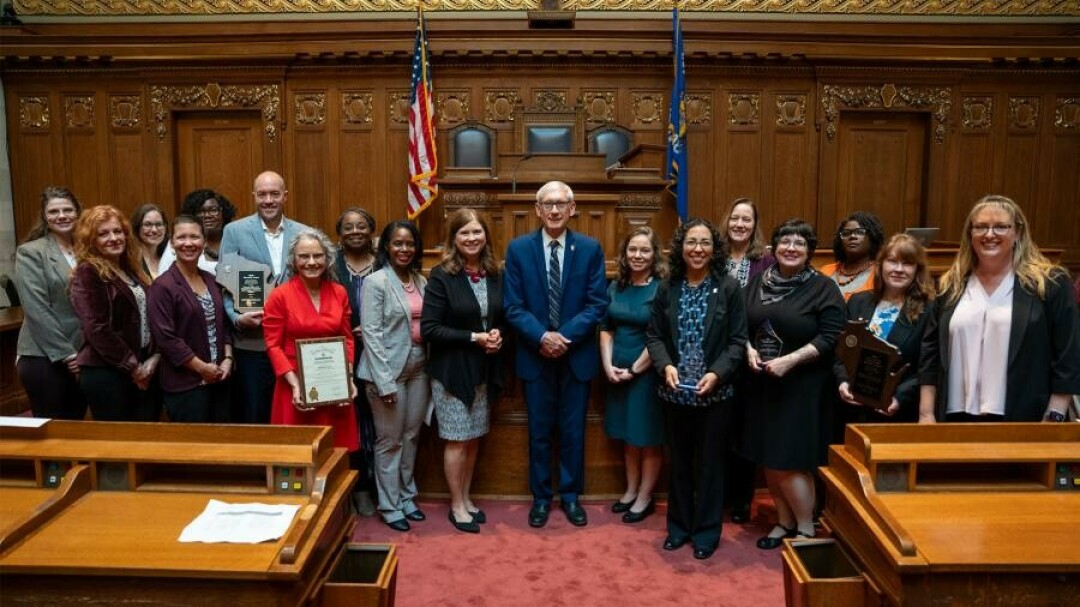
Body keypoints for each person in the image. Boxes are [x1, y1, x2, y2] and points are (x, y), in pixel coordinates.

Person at [919, 195, 1080, 423]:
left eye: (1001, 227)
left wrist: (1054, 415)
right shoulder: (951, 286)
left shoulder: (1050, 283)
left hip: (1026, 418)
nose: (990, 234)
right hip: (955, 417)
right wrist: (926, 414)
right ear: (970, 235)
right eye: (981, 227)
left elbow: (1068, 354)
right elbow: (930, 354)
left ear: (1018, 233)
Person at [504, 180, 608, 529]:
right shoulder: (518, 250)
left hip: (575, 356)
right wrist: (542, 337)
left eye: (560, 204)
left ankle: (571, 496)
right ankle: (541, 498)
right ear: (537, 210)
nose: (553, 210)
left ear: (572, 207)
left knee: (573, 430)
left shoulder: (590, 249)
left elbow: (597, 304)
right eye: (547, 204)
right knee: (539, 431)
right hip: (536, 357)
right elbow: (513, 307)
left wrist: (563, 337)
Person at [645, 219, 748, 560]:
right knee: (680, 464)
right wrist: (666, 366)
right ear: (681, 247)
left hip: (715, 394)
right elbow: (655, 336)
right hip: (675, 392)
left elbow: (737, 341)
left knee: (710, 464)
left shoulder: (729, 287)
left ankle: (705, 532)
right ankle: (678, 528)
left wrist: (718, 374)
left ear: (714, 249)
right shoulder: (668, 286)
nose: (698, 249)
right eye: (692, 242)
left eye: (705, 242)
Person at [741, 218, 845, 549]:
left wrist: (791, 360)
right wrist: (748, 350)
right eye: (785, 241)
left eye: (799, 243)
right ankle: (783, 522)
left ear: (809, 251)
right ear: (774, 247)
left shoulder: (822, 287)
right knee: (769, 456)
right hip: (763, 384)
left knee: (792, 459)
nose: (791, 248)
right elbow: (739, 324)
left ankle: (805, 528)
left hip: (803, 386)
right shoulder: (758, 282)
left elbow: (832, 336)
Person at [421, 209, 506, 534]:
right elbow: (430, 329)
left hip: (485, 368)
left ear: (486, 235)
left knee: (473, 438)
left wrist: (498, 335)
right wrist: (475, 337)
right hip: (453, 372)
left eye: (477, 232)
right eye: (464, 233)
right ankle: (457, 504)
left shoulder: (494, 272)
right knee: (457, 440)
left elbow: (501, 315)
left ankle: (467, 498)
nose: (472, 239)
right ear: (453, 239)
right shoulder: (442, 275)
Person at [219, 170, 311, 424]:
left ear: (285, 196)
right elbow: (226, 285)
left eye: (274, 194)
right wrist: (237, 319)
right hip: (252, 343)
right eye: (262, 194)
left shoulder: (305, 234)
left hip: (294, 345)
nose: (268, 200)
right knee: (255, 414)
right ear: (254, 196)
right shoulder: (234, 231)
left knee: (295, 413)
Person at [357, 220, 429, 532]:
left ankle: (406, 496)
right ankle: (389, 505)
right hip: (386, 371)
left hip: (419, 369)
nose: (404, 249)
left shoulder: (420, 280)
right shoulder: (376, 282)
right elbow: (371, 335)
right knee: (389, 441)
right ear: (386, 246)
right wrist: (384, 381)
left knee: (411, 437)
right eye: (397, 243)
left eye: (409, 244)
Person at [263, 229, 359, 449]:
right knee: (298, 453)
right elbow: (273, 345)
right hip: (294, 384)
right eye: (304, 256)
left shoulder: (339, 292)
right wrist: (296, 386)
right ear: (293, 261)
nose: (312, 262)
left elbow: (347, 339)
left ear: (328, 258)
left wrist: (348, 378)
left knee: (335, 452)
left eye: (318, 255)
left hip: (333, 385)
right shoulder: (280, 295)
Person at [69, 205, 162, 422]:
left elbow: (148, 317)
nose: (113, 238)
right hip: (107, 372)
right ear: (91, 240)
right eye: (103, 233)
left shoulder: (130, 269)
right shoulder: (88, 272)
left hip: (142, 366)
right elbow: (97, 329)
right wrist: (133, 367)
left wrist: (154, 358)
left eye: (117, 231)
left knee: (142, 442)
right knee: (115, 448)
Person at [600, 226, 666, 524]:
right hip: (616, 373)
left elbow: (660, 336)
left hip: (647, 373)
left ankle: (645, 496)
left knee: (647, 437)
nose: (638, 255)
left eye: (645, 250)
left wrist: (634, 370)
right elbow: (605, 329)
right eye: (633, 250)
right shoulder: (616, 285)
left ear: (654, 255)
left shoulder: (661, 289)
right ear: (625, 254)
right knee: (628, 435)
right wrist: (608, 366)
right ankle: (630, 490)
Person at [835, 233, 936, 424]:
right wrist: (843, 381)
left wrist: (899, 398)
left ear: (917, 270)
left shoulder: (928, 310)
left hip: (897, 412)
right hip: (851, 410)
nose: (899, 269)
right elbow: (840, 352)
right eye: (892, 261)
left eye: (907, 263)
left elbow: (927, 366)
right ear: (881, 266)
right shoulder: (858, 301)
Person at [721, 197, 775, 525]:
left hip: (752, 355)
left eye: (747, 219)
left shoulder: (765, 261)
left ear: (754, 225)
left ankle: (742, 498)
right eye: (735, 218)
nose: (740, 224)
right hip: (718, 355)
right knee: (719, 429)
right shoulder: (715, 257)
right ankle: (720, 494)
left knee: (744, 428)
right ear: (727, 222)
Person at [149, 216, 234, 423]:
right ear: (171, 243)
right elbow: (166, 338)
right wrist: (201, 368)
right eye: (181, 237)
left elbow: (223, 324)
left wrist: (228, 359)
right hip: (186, 385)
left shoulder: (211, 279)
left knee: (221, 449)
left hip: (219, 380)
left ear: (204, 242)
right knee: (192, 451)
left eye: (195, 237)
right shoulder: (162, 286)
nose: (188, 243)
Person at [13, 186, 87, 420]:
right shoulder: (31, 252)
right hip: (44, 357)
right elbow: (37, 310)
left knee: (76, 425)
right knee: (53, 432)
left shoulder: (88, 250)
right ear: (45, 216)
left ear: (78, 213)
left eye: (68, 210)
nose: (62, 216)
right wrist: (68, 355)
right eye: (54, 211)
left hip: (83, 354)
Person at [331, 207, 379, 517]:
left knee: (375, 422)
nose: (355, 231)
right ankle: (351, 486)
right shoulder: (330, 265)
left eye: (361, 226)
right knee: (347, 421)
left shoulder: (384, 263)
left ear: (372, 231)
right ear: (340, 233)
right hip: (338, 356)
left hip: (380, 356)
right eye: (348, 227)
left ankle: (373, 487)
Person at [159, 189, 237, 274]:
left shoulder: (236, 240)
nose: (207, 215)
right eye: (200, 211)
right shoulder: (180, 243)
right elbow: (164, 275)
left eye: (213, 210)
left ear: (223, 213)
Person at [820, 211, 885, 301]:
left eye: (860, 232)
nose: (852, 236)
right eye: (846, 233)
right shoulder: (825, 271)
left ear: (872, 237)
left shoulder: (881, 273)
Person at [131, 203, 169, 280]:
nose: (154, 230)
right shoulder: (132, 261)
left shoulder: (170, 257)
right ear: (137, 228)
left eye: (158, 224)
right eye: (147, 225)